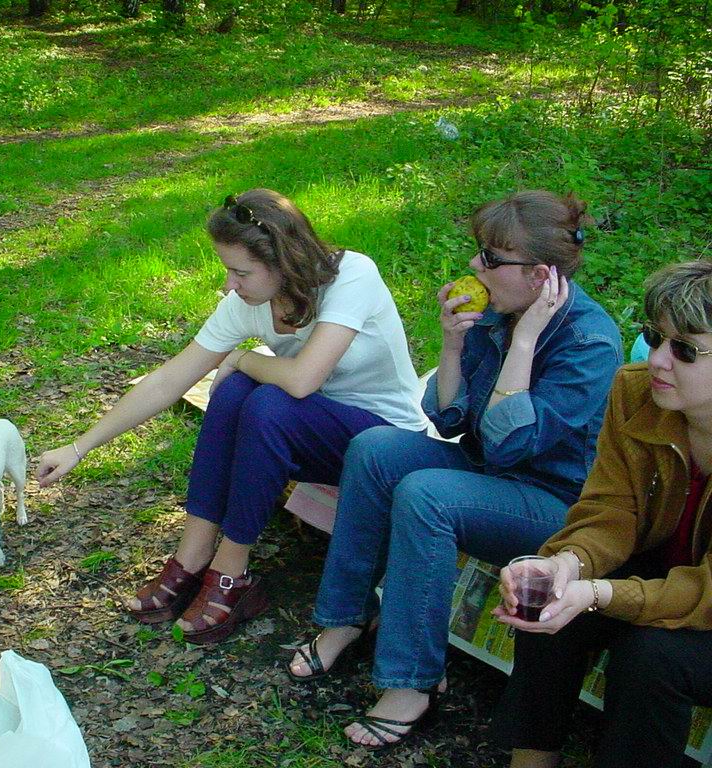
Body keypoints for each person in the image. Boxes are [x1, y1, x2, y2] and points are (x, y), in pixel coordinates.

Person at [289, 190, 623, 750]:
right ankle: (346, 617)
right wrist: (451, 344)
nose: (475, 265)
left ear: (540, 275)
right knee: (374, 449)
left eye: (491, 258)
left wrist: (524, 343)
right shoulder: (498, 313)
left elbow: (511, 445)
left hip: (552, 502)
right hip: (486, 468)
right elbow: (448, 418)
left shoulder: (589, 342)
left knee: (427, 494)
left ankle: (413, 682)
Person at [35, 188, 428, 645]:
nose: (229, 284)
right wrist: (79, 446)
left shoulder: (351, 276)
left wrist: (240, 358)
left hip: (383, 442)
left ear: (286, 261)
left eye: (241, 272)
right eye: (228, 270)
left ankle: (231, 569)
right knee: (238, 391)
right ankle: (194, 551)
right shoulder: (249, 303)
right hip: (316, 435)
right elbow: (168, 380)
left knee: (267, 399)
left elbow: (303, 380)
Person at [491, 260, 712, 768]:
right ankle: (531, 759)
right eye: (654, 337)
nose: (657, 360)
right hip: (665, 569)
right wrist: (567, 564)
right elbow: (612, 507)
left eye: (684, 349)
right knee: (551, 597)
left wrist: (598, 593)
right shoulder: (637, 393)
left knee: (651, 656)